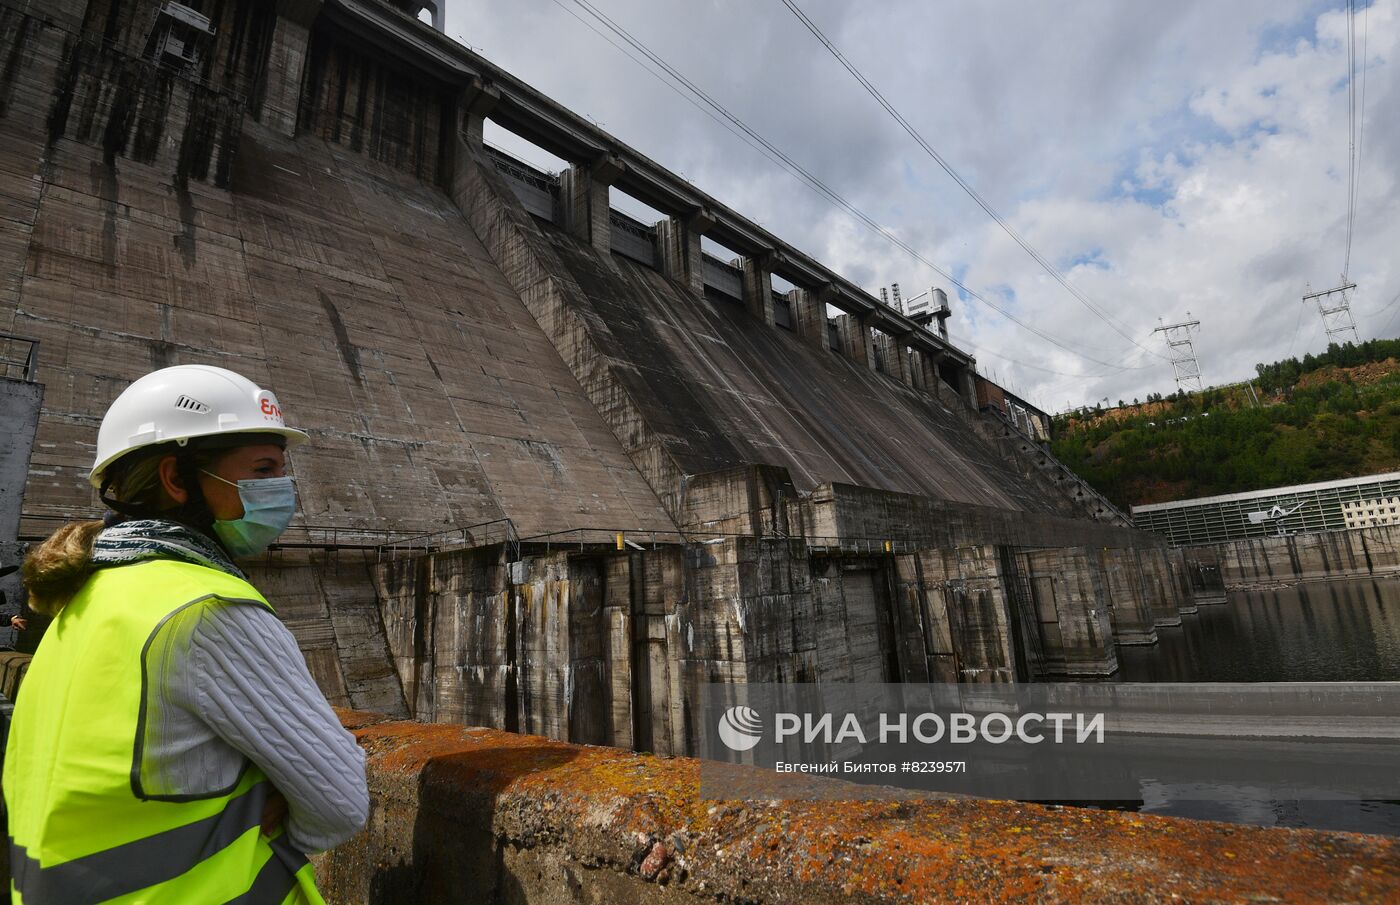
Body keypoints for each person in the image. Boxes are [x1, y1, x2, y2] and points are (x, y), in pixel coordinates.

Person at [4, 365, 368, 904]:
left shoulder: (86, 596)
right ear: (177, 479)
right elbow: (341, 803)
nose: (283, 491)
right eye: (263, 469)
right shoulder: (207, 611)